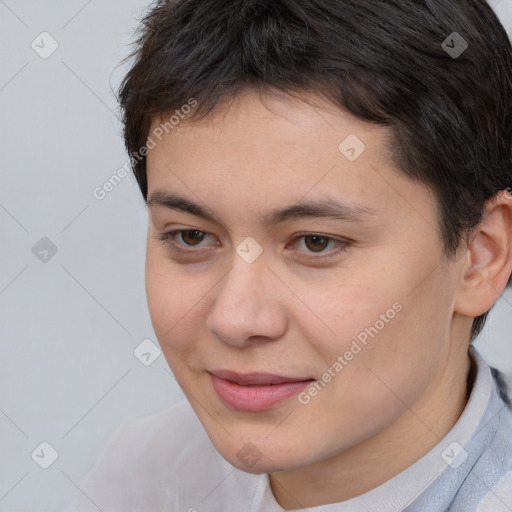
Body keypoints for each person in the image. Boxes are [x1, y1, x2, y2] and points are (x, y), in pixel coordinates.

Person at [68, 0, 512, 510]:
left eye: (315, 242)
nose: (235, 319)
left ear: (481, 255)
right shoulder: (142, 477)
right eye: (191, 236)